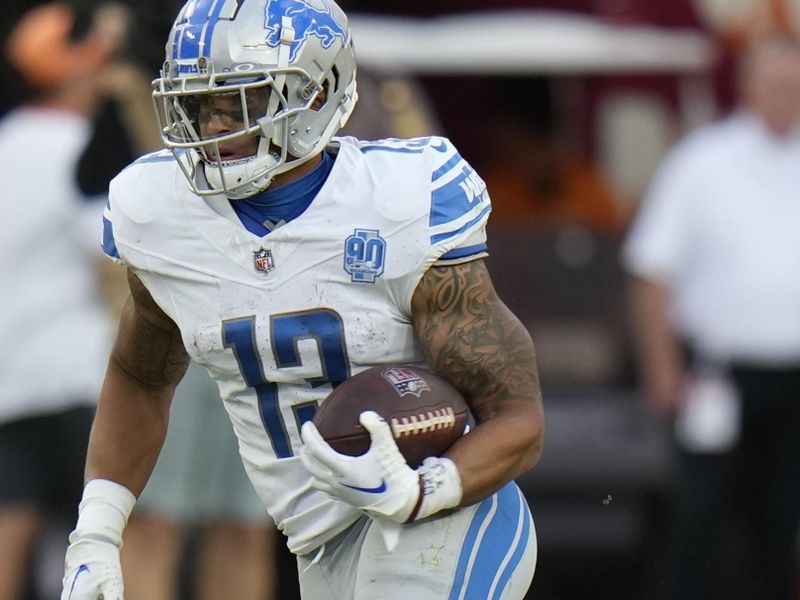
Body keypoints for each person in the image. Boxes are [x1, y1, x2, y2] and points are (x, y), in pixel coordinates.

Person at [59, 0, 545, 598]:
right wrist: (98, 533)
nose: (215, 126)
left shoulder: (399, 200)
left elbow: (518, 417)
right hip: (318, 541)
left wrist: (427, 487)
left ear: (317, 94)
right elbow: (140, 376)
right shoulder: (161, 212)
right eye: (200, 104)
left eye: (243, 100)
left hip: (450, 513)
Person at [623, 35, 800, 600]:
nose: (786, 96)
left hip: (793, 378)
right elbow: (652, 270)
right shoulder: (703, 162)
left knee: (782, 515)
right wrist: (662, 369)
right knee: (700, 508)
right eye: (776, 83)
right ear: (748, 86)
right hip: (717, 374)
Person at [0, 3, 128, 599]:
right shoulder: (79, 147)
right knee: (96, 539)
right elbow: (109, 259)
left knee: (11, 529)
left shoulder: (7, 142)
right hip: (78, 372)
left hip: (9, 376)